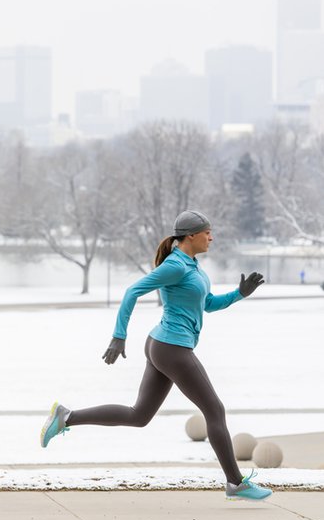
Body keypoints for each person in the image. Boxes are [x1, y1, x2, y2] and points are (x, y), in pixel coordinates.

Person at [40, 210, 272, 501]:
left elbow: (208, 304)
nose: (211, 237)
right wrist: (118, 335)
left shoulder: (194, 267)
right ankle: (236, 483)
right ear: (191, 235)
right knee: (215, 410)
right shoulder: (176, 266)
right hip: (171, 348)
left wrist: (239, 294)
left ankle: (66, 417)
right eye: (207, 232)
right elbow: (132, 291)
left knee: (139, 415)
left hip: (162, 345)